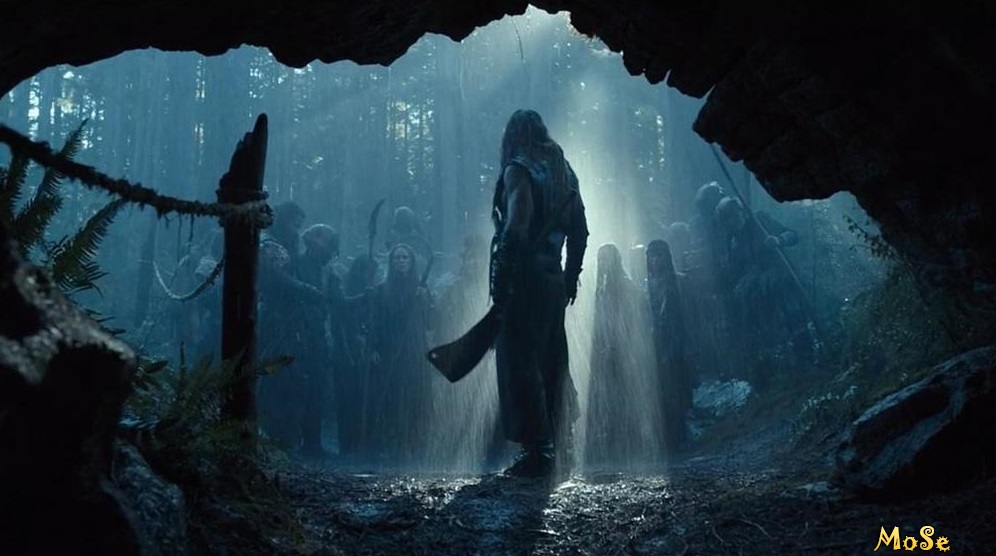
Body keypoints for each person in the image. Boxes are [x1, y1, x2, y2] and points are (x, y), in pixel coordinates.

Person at [489, 109, 588, 478]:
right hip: (552, 280)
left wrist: (502, 280)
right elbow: (580, 231)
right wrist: (570, 277)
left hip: (524, 280)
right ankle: (562, 444)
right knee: (552, 359)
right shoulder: (566, 173)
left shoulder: (518, 170)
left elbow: (516, 225)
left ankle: (539, 451)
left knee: (519, 360)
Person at [646, 239, 693, 451]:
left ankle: (680, 436)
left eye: (659, 256)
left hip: (675, 342)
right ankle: (668, 438)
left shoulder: (679, 282)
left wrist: (686, 345)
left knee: (677, 389)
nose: (655, 261)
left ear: (667, 257)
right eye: (652, 256)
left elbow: (688, 317)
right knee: (661, 391)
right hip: (655, 343)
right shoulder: (645, 286)